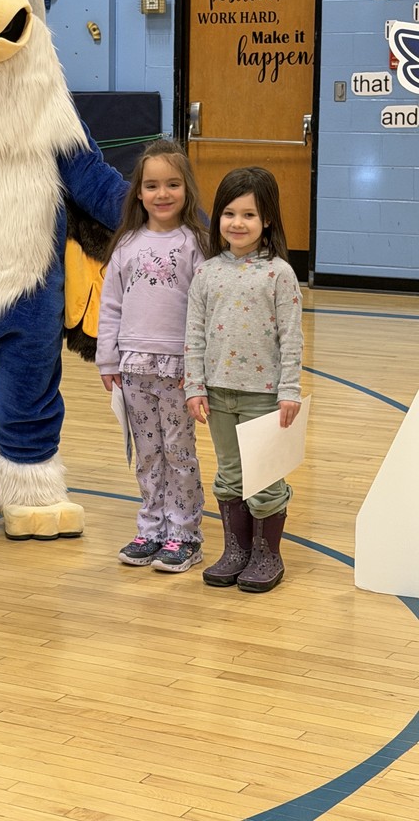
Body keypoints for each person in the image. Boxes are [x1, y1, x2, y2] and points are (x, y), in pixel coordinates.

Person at [184, 166, 303, 594]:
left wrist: (289, 391)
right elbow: (193, 335)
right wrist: (194, 386)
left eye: (249, 214)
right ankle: (236, 551)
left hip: (265, 397)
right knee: (231, 476)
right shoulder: (207, 272)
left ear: (267, 219)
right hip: (217, 393)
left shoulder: (280, 274)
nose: (238, 223)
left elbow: (292, 339)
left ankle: (267, 554)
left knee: (265, 477)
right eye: (229, 213)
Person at [96, 139, 209, 572]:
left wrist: (197, 369)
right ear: (138, 192)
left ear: (187, 189)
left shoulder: (196, 243)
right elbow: (111, 306)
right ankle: (152, 527)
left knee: (179, 450)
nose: (162, 194)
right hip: (133, 367)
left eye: (173, 184)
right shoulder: (126, 245)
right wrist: (108, 359)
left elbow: (202, 310)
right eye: (152, 185)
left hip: (178, 369)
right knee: (147, 452)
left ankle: (184, 533)